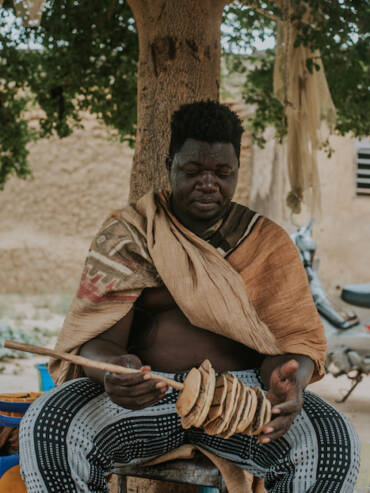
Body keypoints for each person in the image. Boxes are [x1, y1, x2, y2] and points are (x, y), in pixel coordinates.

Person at [19, 101, 360, 493]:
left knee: (333, 443)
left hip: (243, 402)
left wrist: (290, 381)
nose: (208, 183)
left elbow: (293, 346)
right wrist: (114, 370)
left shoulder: (267, 243)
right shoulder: (131, 233)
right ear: (170, 165)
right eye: (193, 170)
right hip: (149, 398)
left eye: (222, 172)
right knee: (48, 425)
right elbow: (100, 342)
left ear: (236, 172)